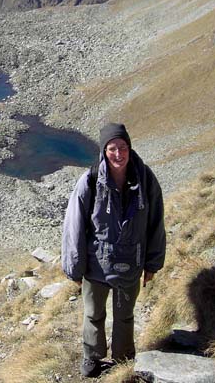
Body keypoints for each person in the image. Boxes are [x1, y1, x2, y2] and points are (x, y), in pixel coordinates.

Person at [62, 123, 166, 378]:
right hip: (97, 265)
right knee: (93, 314)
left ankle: (123, 359)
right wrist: (74, 268)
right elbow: (74, 225)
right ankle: (92, 357)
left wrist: (153, 264)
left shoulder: (145, 179)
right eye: (112, 148)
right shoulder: (90, 180)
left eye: (123, 147)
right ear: (103, 151)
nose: (118, 154)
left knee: (125, 316)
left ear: (129, 148)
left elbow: (155, 223)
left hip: (131, 264)